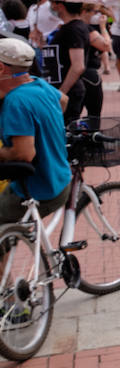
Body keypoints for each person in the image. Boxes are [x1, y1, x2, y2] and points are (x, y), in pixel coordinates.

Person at [0, 39, 71, 228]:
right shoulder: (39, 84)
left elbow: (23, 153)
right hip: (60, 178)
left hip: (39, 188)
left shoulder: (16, 101)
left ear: (1, 68)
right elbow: (63, 100)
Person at [52, 1, 92, 124]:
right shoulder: (69, 28)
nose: (52, 7)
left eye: (53, 3)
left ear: (61, 6)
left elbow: (78, 66)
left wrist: (61, 93)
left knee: (65, 130)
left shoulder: (74, 29)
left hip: (69, 90)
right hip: (62, 87)